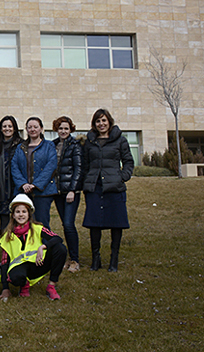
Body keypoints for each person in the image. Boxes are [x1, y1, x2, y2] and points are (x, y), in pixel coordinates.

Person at [82, 108, 135, 272]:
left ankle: (114, 260)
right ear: (94, 124)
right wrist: (86, 181)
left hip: (114, 187)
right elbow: (85, 164)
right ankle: (96, 259)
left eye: (104, 120)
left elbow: (128, 162)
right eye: (98, 121)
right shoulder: (89, 141)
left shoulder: (120, 140)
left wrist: (122, 177)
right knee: (94, 224)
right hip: (94, 187)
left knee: (116, 223)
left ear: (109, 122)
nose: (101, 124)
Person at [0, 194, 67, 301]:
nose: (21, 215)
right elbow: (4, 262)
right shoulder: (7, 237)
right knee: (15, 277)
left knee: (60, 248)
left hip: (38, 264)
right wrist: (5, 288)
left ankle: (51, 286)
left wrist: (43, 246)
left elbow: (57, 238)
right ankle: (24, 285)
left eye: (24, 212)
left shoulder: (38, 228)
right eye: (18, 212)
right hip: (20, 269)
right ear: (13, 215)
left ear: (29, 214)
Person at [11, 116, 58, 228]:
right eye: (30, 127)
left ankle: (44, 245)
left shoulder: (49, 146)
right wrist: (23, 184)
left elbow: (50, 167)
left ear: (41, 128)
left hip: (42, 192)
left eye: (35, 127)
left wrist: (35, 185)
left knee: (41, 223)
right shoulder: (20, 147)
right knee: (22, 223)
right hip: (23, 191)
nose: (32, 129)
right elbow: (14, 166)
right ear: (26, 129)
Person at [52, 115, 84, 273]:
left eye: (66, 128)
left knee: (69, 224)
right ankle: (69, 257)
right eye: (60, 128)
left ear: (71, 129)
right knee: (65, 224)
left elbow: (78, 169)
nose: (63, 131)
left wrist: (72, 189)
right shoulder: (54, 145)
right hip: (58, 191)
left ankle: (75, 260)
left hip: (70, 191)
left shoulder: (75, 145)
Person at [0, 115, 24, 232]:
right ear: (1, 129)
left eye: (10, 126)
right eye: (4, 126)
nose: (7, 129)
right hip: (2, 189)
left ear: (15, 128)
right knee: (4, 224)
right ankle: (5, 248)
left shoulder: (22, 145)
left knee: (20, 221)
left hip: (17, 187)